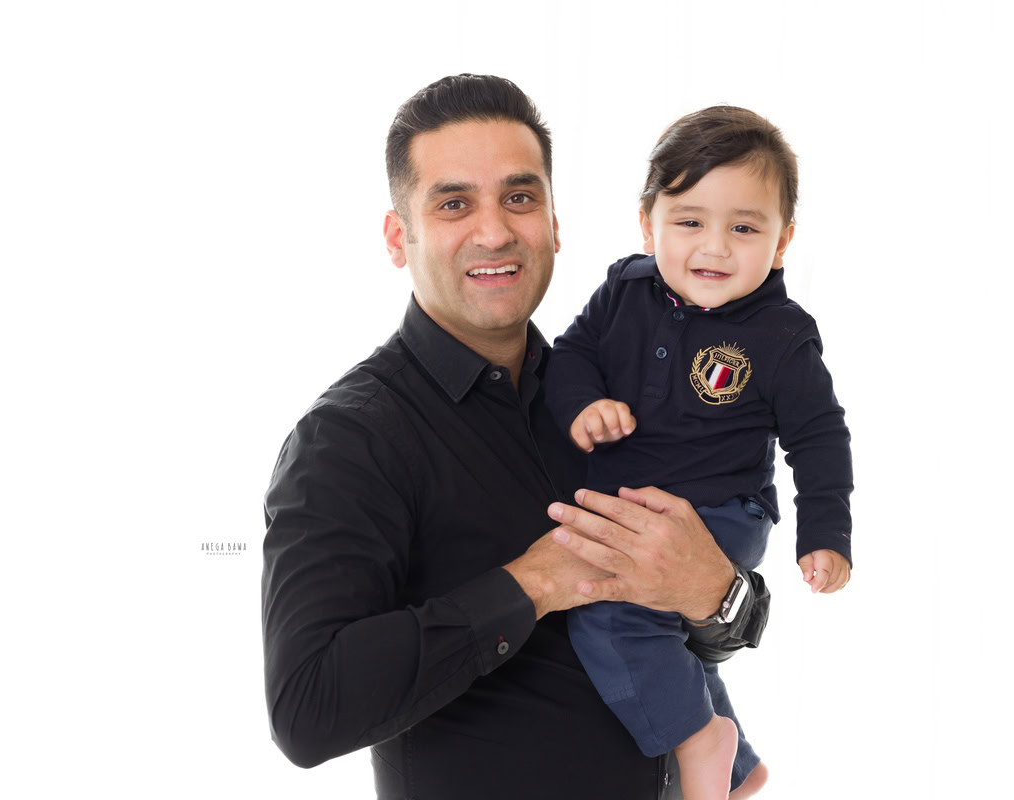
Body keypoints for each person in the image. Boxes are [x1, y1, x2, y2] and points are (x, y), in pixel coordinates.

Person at [261, 74, 774, 800]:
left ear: (555, 223)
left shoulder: (615, 398)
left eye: (520, 198)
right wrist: (529, 585)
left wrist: (716, 592)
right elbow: (307, 710)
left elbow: (696, 632)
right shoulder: (347, 440)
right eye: (453, 204)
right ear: (397, 236)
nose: (495, 230)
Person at [543, 106, 855, 799]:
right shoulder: (623, 290)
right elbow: (570, 357)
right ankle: (738, 770)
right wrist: (584, 404)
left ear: (782, 242)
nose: (714, 248)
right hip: (633, 501)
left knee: (612, 610)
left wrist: (826, 532)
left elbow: (820, 437)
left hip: (721, 510)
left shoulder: (781, 335)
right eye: (689, 222)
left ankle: (696, 743)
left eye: (743, 228)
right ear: (647, 222)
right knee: (669, 638)